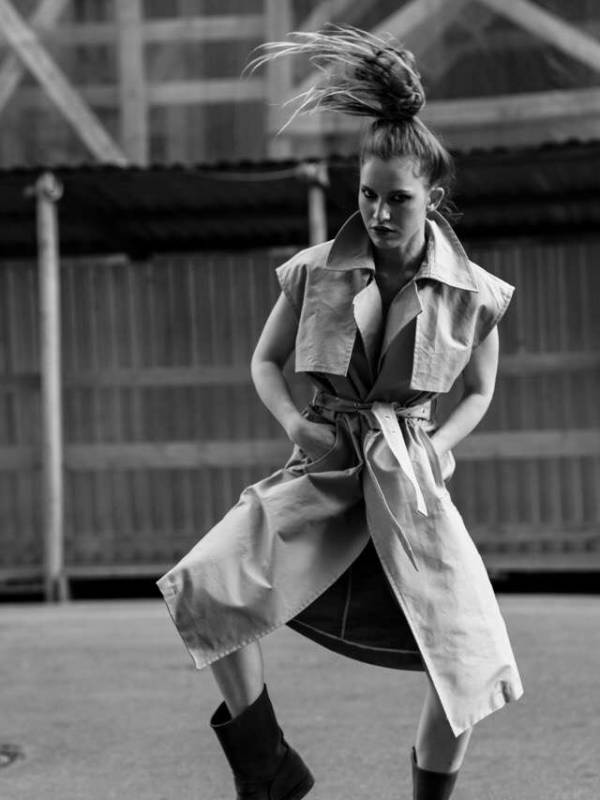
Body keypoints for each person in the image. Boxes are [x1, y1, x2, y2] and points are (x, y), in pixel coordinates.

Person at [157, 26, 523, 800]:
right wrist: (296, 424)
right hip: (323, 472)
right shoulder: (313, 272)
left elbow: (479, 391)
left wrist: (442, 446)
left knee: (471, 663)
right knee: (207, 582)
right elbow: (264, 362)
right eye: (368, 195)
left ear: (433, 198)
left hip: (409, 483)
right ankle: (269, 769)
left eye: (399, 199)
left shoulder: (476, 295)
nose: (380, 213)